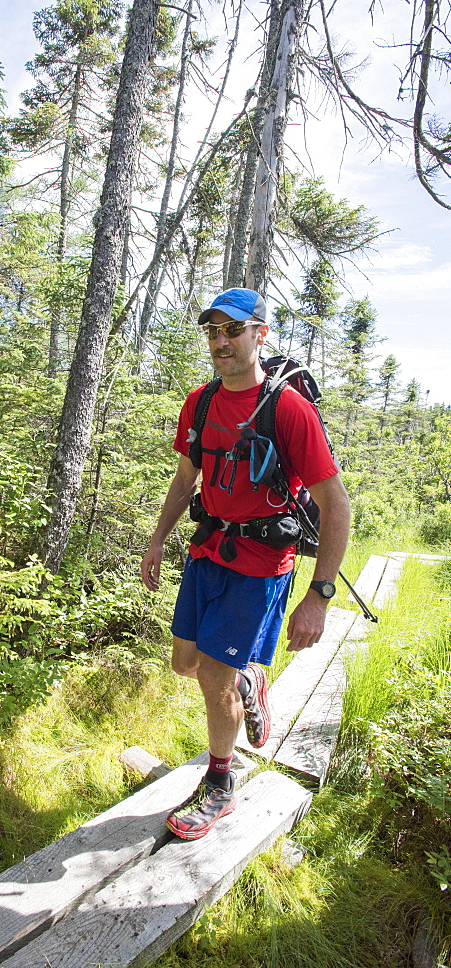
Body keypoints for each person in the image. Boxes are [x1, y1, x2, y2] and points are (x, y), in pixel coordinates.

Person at [140, 287, 351, 840]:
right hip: (208, 550)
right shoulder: (201, 402)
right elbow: (187, 479)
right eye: (213, 331)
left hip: (262, 564)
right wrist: (158, 538)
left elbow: (336, 506)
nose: (220, 341)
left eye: (232, 330)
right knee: (185, 662)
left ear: (260, 334)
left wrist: (319, 595)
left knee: (213, 676)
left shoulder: (289, 410)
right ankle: (253, 680)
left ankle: (220, 784)